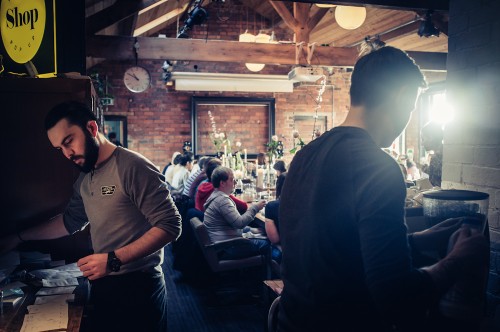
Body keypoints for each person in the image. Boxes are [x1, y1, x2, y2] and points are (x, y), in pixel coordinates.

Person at [278, 45, 489, 332]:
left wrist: (416, 240)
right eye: (411, 107)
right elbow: (397, 300)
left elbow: (333, 253)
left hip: (294, 320)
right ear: (402, 96)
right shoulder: (377, 165)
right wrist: (457, 260)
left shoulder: (306, 154)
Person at [0, 101, 181, 332]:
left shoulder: (132, 166)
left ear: (92, 129)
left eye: (69, 142)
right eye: (60, 149)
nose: (67, 154)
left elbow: (171, 224)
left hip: (139, 286)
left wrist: (114, 259)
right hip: (104, 281)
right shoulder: (86, 176)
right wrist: (19, 236)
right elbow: (70, 221)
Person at [203, 166, 269, 259]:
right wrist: (255, 207)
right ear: (222, 183)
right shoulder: (222, 200)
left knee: (260, 233)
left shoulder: (216, 196)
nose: (235, 182)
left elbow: (233, 223)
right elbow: (239, 223)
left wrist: (251, 230)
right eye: (232, 180)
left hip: (220, 244)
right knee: (267, 244)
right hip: (225, 248)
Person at [421, 121, 443, 187]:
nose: (422, 144)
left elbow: (434, 187)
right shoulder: (445, 153)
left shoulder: (435, 158)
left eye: (423, 139)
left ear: (431, 138)